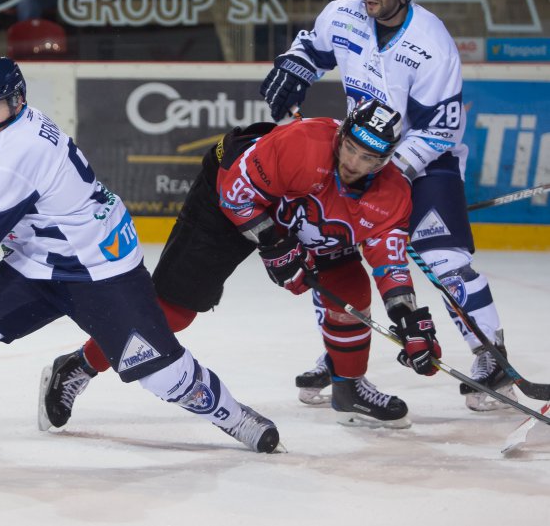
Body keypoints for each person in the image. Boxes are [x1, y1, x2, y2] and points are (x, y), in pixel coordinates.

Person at [0, 56, 282, 454]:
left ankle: (235, 417)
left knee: (162, 375)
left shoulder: (11, 154)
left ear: (15, 101)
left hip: (99, 267)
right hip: (40, 258)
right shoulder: (16, 124)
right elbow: (5, 187)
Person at [34, 99, 441, 430]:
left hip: (305, 217)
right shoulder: (303, 144)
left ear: (384, 161)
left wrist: (408, 318)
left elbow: (390, 264)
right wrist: (274, 245)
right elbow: (237, 193)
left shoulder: (391, 195)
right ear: (341, 134)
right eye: (350, 147)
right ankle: (77, 366)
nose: (352, 162)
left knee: (350, 287)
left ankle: (348, 387)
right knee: (173, 310)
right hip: (230, 196)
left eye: (367, 157)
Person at [258, 0, 512, 412]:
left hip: (425, 161)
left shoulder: (432, 44)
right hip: (359, 153)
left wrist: (385, 174)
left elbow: (441, 129)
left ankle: (491, 356)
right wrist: (295, 68)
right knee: (333, 251)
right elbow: (312, 48)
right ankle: (342, 357)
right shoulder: (343, 14)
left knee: (442, 257)